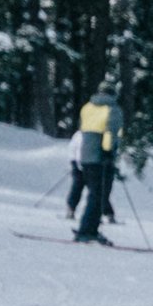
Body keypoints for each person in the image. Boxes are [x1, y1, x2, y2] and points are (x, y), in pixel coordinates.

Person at [65, 97, 119, 243]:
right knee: (99, 195)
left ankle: (90, 229)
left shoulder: (88, 107)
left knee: (94, 195)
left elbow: (84, 134)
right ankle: (86, 230)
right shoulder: (112, 109)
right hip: (101, 159)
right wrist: (108, 151)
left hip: (85, 158)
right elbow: (111, 132)